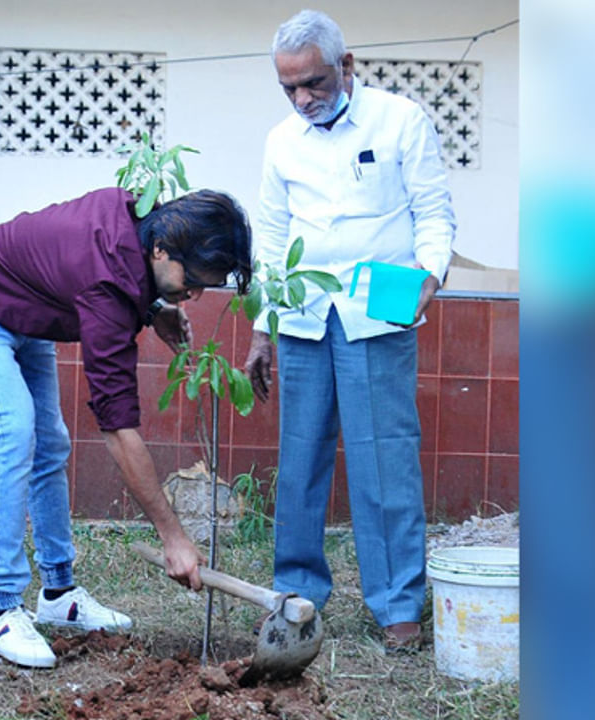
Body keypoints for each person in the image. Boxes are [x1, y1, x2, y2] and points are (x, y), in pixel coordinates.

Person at [0, 187, 252, 667]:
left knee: (50, 442)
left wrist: (153, 308)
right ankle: (2, 611)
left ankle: (59, 594)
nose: (196, 295)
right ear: (162, 249)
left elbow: (118, 273)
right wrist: (172, 536)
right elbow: (118, 428)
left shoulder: (143, 214)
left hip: (27, 308)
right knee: (16, 432)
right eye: (193, 281)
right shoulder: (104, 285)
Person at [244, 9, 455, 652]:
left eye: (314, 83)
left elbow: (434, 212)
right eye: (290, 89)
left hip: (379, 309)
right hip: (304, 314)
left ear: (348, 66)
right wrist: (262, 327)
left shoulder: (401, 120)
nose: (303, 99)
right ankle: (297, 595)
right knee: (300, 460)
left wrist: (432, 275)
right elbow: (274, 240)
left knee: (384, 457)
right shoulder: (282, 140)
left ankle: (397, 606)